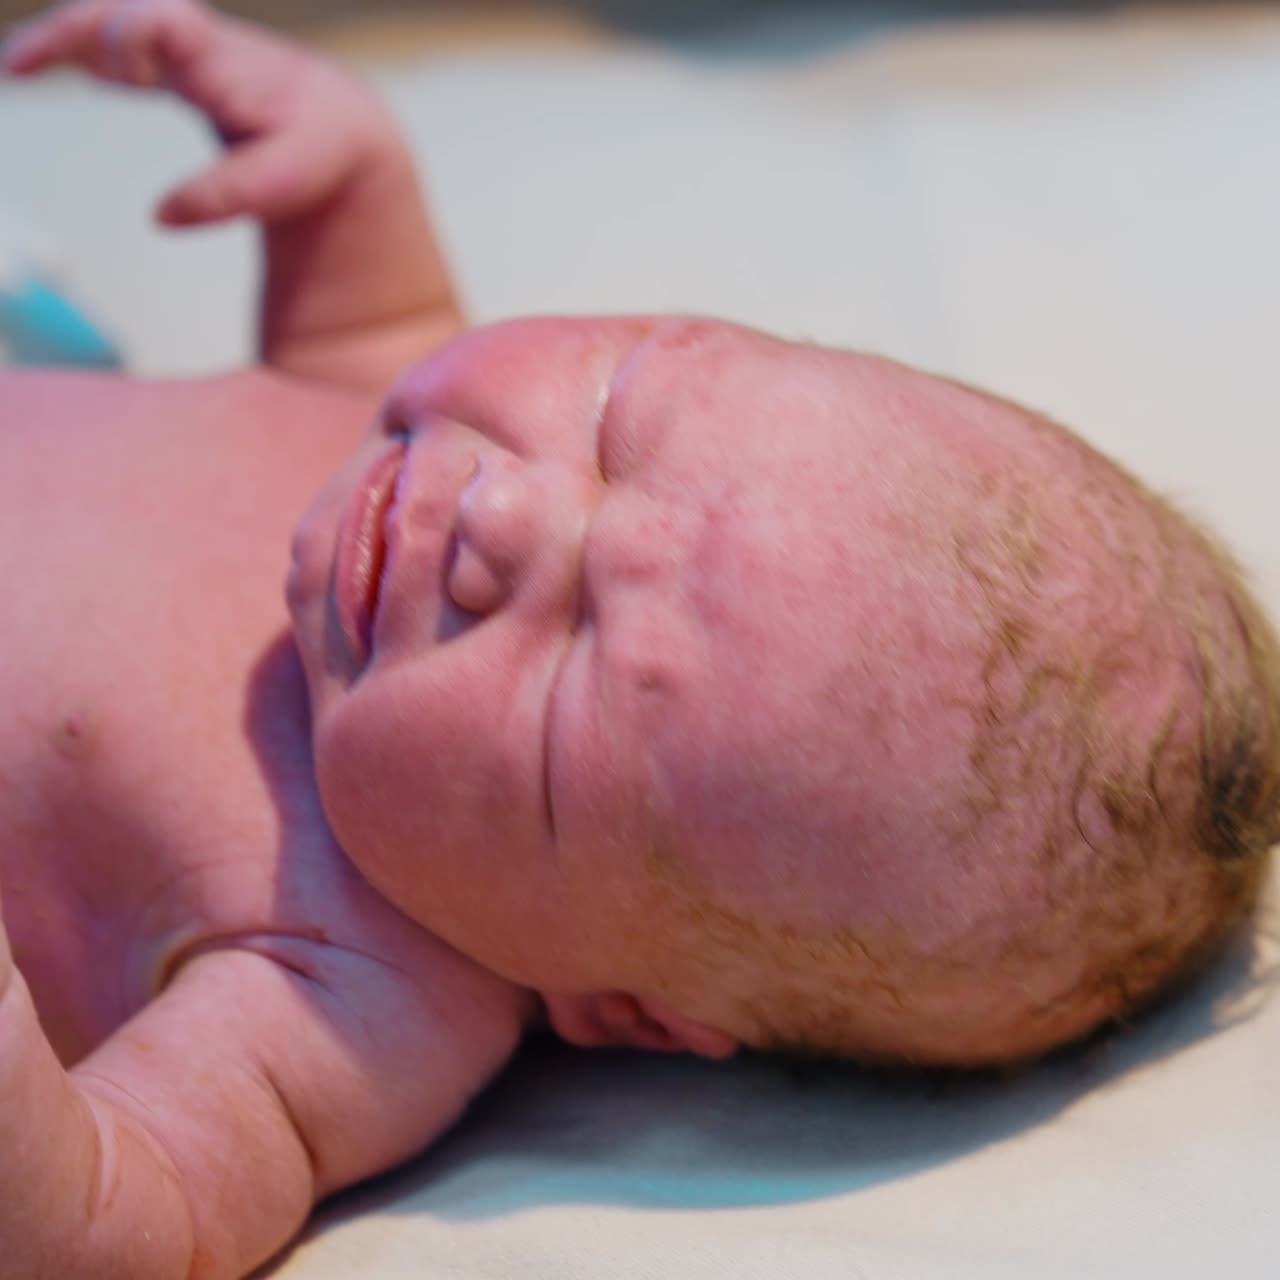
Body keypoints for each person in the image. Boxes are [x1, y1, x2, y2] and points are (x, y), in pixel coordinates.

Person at [1, 2, 1277, 1277]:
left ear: (619, 1007)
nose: (500, 513)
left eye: (570, 681)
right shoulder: (393, 424)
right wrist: (339, 172)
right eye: (621, 409)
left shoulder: (353, 989)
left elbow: (119, 1222)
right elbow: (361, 335)